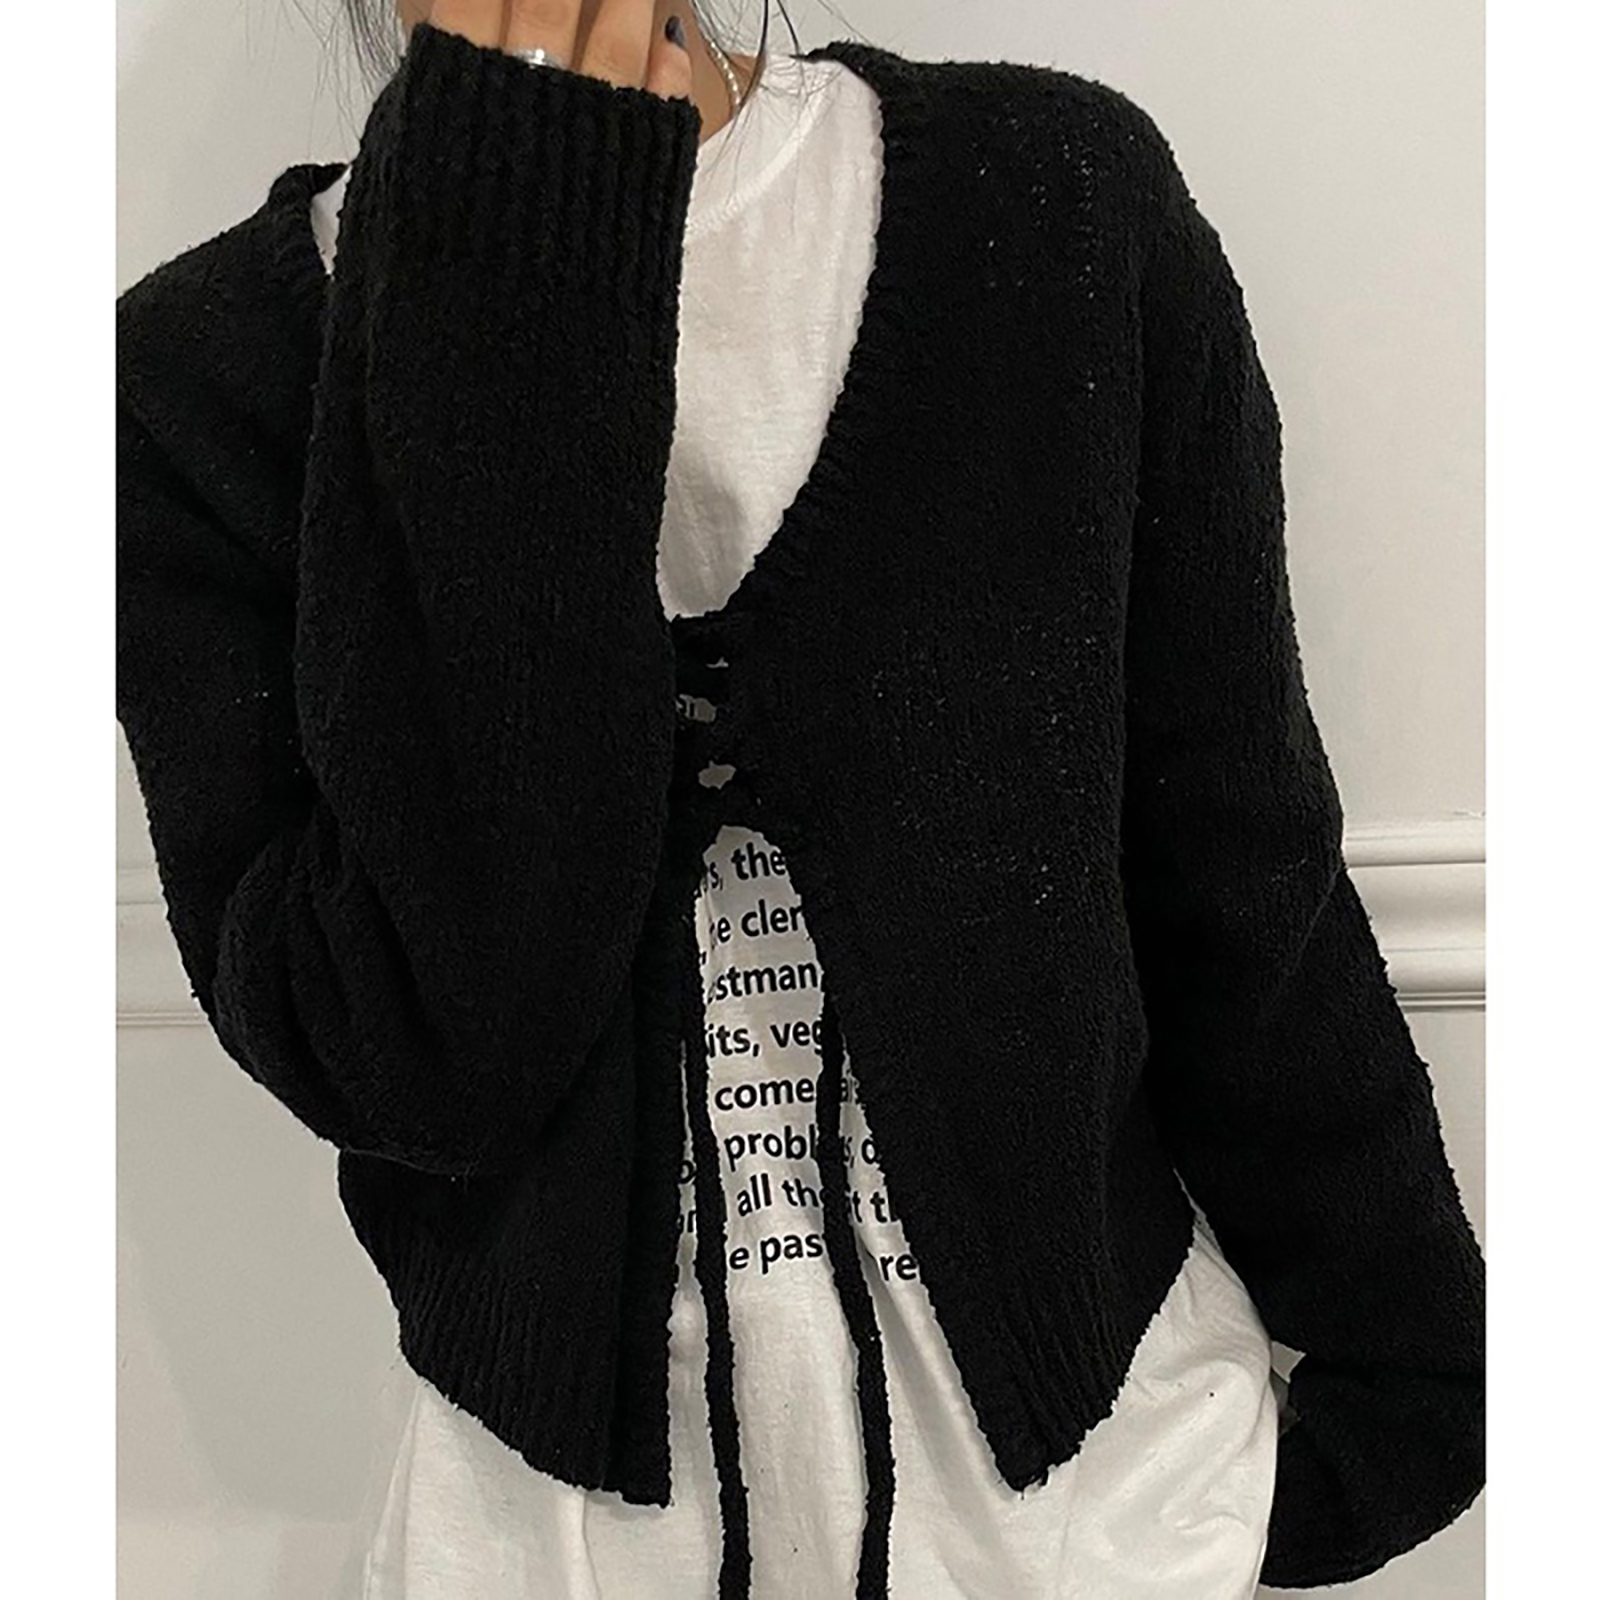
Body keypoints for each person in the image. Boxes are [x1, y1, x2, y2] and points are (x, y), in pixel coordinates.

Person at [115, 3, 1487, 1598]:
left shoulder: (1050, 201)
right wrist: (509, 228)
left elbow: (1238, 868)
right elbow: (430, 1058)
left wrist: (1411, 1391)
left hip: (1106, 1516)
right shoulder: (195, 388)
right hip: (554, 1550)